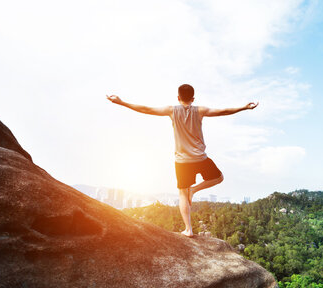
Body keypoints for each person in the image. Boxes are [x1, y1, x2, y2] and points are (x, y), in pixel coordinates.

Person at [106, 84, 258, 237]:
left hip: (182, 161)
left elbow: (147, 109)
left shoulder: (172, 110)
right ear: (193, 98)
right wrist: (244, 107)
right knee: (219, 178)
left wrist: (122, 102)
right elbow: (223, 111)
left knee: (182, 194)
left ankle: (188, 229)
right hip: (200, 157)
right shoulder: (200, 110)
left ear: (178, 98)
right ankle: (194, 190)